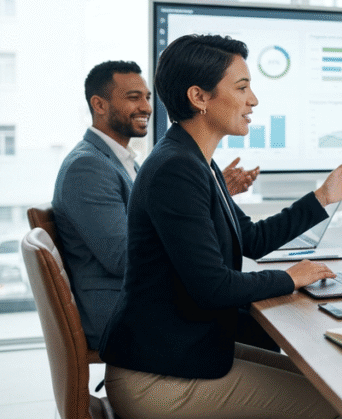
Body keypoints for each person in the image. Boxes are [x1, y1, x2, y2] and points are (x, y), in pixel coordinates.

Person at [100, 34, 342, 418]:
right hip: (159, 381)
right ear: (199, 97)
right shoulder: (176, 169)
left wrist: (323, 197)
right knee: (341, 407)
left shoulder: (196, 161)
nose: (253, 100)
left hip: (181, 356)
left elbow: (252, 239)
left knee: (331, 383)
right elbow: (213, 287)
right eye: (242, 87)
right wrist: (290, 277)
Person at [52, 60, 259, 349]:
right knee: (252, 321)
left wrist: (199, 199)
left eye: (147, 97)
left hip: (143, 300)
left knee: (247, 313)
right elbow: (122, 257)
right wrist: (194, 203)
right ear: (99, 105)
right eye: (133, 97)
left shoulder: (123, 161)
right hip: (121, 313)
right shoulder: (88, 167)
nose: (147, 107)